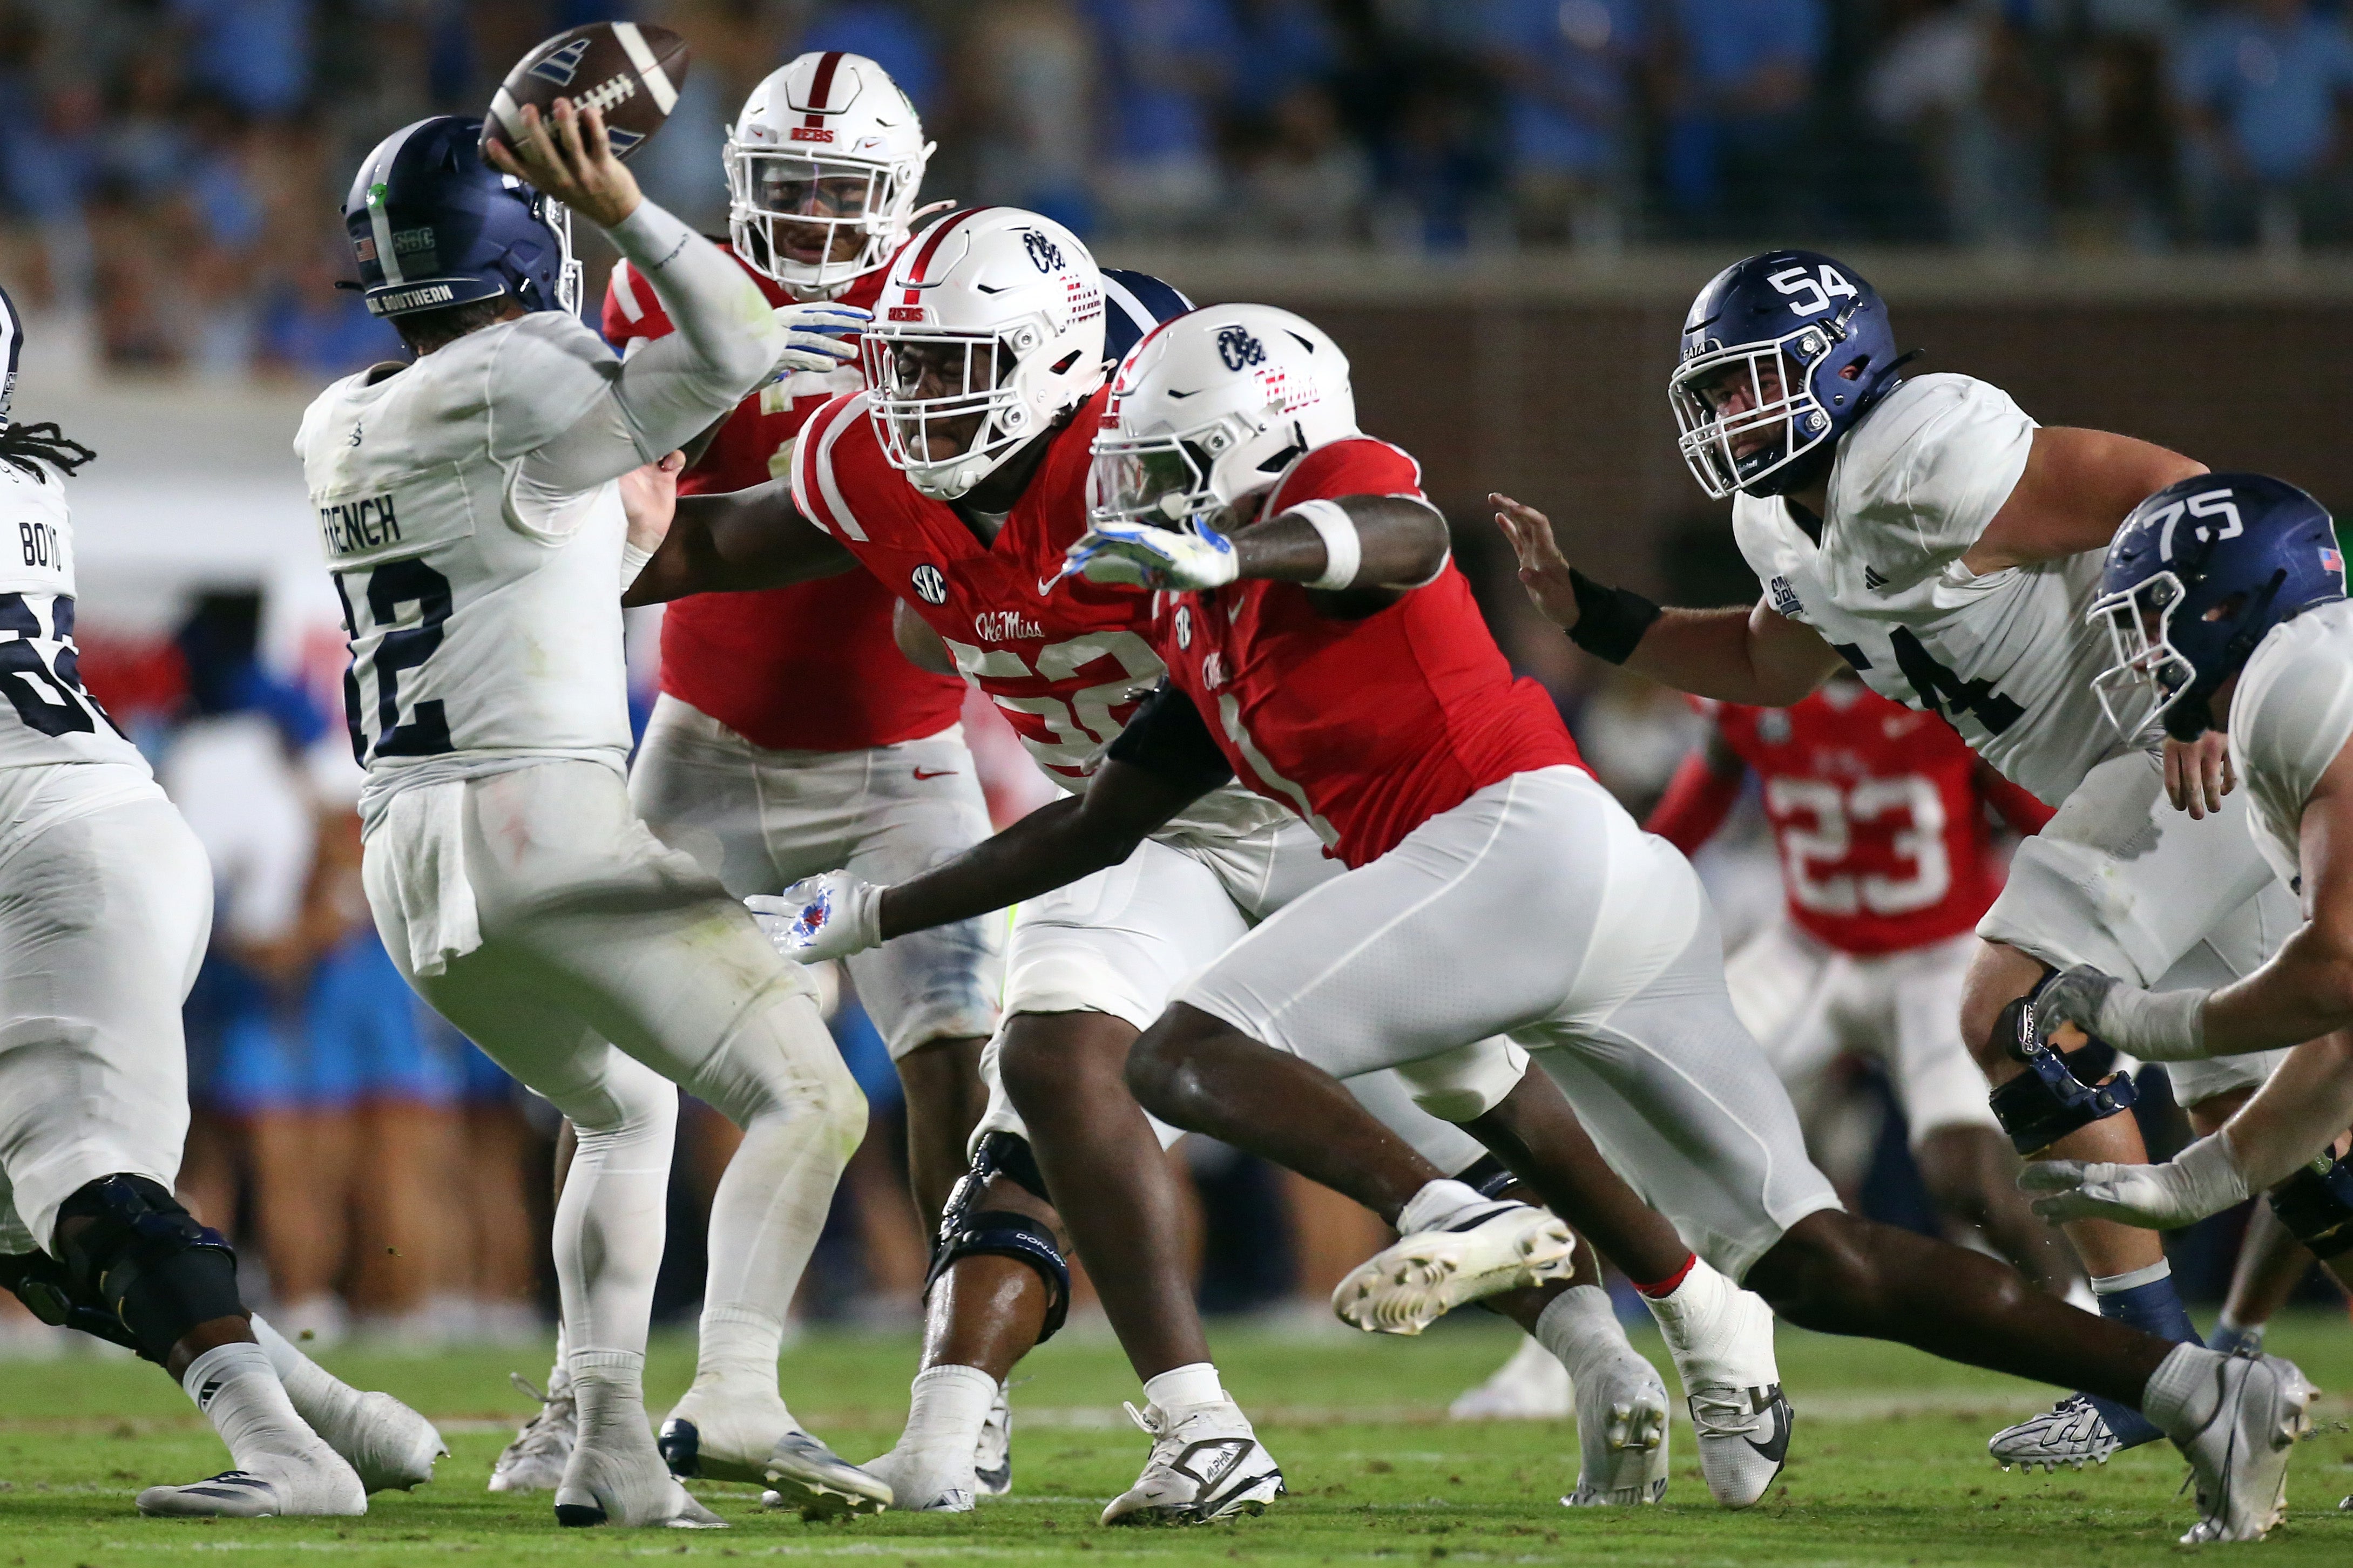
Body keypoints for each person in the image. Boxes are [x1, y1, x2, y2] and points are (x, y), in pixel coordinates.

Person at [763, 301, 2319, 1543]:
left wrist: (1235, 541)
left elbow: (1402, 539)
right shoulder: (1191, 601)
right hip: (1594, 890)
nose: (1132, 496)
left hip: (1512, 846)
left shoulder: (1324, 491)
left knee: (1177, 1053)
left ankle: (1455, 1213)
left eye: (1165, 470)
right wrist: (872, 909)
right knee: (1818, 1265)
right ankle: (2189, 1385)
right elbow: (1097, 821)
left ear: (1254, 450)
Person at [621, 210, 1676, 1521]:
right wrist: (519, 561)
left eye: (953, 370)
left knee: (1463, 1093)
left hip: (1296, 807)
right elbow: (715, 547)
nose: (911, 406)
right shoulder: (867, 464)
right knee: (1046, 1084)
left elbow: (1377, 527)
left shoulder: (1138, 463)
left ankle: (1640, 1340)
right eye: (904, 367)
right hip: (1133, 820)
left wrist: (1236, 548)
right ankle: (1052, 1432)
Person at [1489, 248, 2301, 1472]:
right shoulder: (1774, 515)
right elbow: (1772, 664)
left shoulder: (1933, 443)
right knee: (2273, 1116)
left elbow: (2182, 493)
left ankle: (2146, 1367)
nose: (1724, 419)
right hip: (2126, 784)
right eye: (1709, 397)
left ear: (1840, 363)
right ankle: (2159, 1367)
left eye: (1748, 385)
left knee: (2004, 1012)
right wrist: (1597, 615)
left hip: (2164, 754)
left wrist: (2200, 686)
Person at [300, 101, 873, 1527]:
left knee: (623, 1109)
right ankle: (727, 1393)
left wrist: (610, 512)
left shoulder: (339, 416)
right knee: (810, 1098)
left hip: (412, 865)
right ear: (523, 247)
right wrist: (626, 203)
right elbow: (734, 344)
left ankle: (591, 1436)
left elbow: (526, 544)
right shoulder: (528, 375)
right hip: (542, 816)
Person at [494, 47, 1008, 1503]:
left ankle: (955, 1392)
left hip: (908, 763)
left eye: (841, 196)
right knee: (611, 1073)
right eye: (781, 189)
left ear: (906, 201)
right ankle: (573, 1396)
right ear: (737, 187)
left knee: (958, 1069)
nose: (811, 221)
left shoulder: (949, 305)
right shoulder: (670, 287)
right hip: (706, 749)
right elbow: (636, 522)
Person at [0, 286, 444, 1517]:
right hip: (71, 845)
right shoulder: (21, 483)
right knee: (25, 1229)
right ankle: (336, 1418)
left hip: (53, 855)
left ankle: (288, 1459)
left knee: (71, 1169)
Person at [2006, 473, 2353, 1307]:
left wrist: (2147, 1024)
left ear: (2231, 601)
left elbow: (2337, 969)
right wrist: (2192, 1183)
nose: (2141, 650)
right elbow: (2343, 1043)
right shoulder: (2300, 674)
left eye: (2154, 614)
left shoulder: (2293, 680)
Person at [1645, 678, 2076, 1291]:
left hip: (1940, 955)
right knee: (1651, 1098)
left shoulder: (1944, 685)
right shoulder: (1750, 681)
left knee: (1968, 1181)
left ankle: (2086, 1315)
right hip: (1809, 945)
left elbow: (2038, 822)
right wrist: (1632, 870)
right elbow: (1703, 794)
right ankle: (1582, 1338)